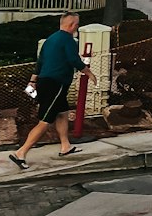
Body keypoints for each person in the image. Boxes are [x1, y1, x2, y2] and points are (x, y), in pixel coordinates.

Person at [9, 13, 97, 169]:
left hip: (44, 82)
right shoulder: (67, 40)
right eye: (76, 24)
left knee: (62, 112)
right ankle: (21, 153)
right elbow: (73, 60)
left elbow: (40, 62)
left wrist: (32, 81)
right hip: (56, 84)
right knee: (45, 120)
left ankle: (65, 146)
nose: (77, 27)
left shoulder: (49, 40)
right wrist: (88, 72)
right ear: (71, 25)